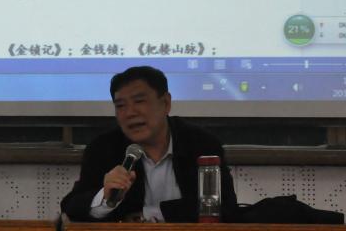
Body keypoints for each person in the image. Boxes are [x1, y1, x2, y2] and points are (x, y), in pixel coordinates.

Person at [61, 65, 238, 222]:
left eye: (139, 101)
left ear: (166, 103)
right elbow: (72, 207)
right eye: (120, 106)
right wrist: (105, 199)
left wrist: (148, 215)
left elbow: (226, 207)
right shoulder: (103, 148)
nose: (130, 113)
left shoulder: (201, 144)